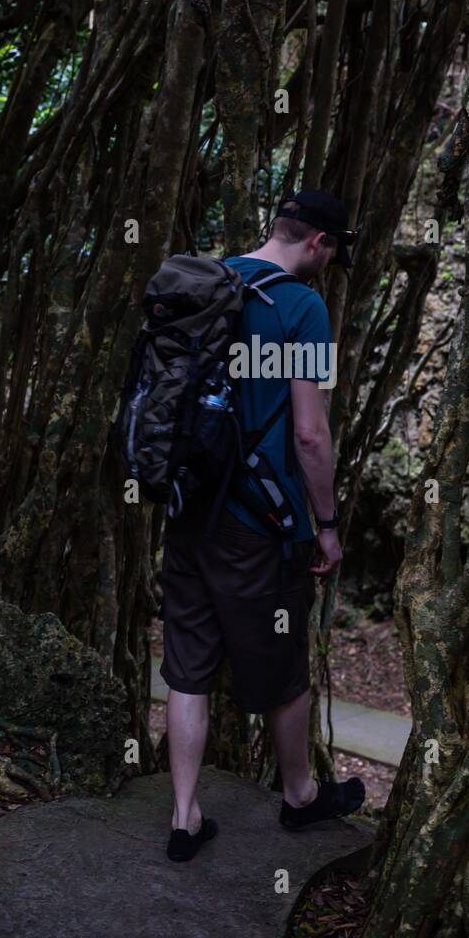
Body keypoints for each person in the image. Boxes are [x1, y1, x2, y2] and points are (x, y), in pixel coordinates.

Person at [161, 189, 366, 861]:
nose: (331, 264)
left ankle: (184, 815)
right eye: (333, 253)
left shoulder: (207, 281)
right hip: (260, 519)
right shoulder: (303, 307)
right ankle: (301, 797)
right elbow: (309, 434)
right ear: (318, 243)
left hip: (188, 510)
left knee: (188, 667)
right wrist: (328, 525)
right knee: (282, 668)